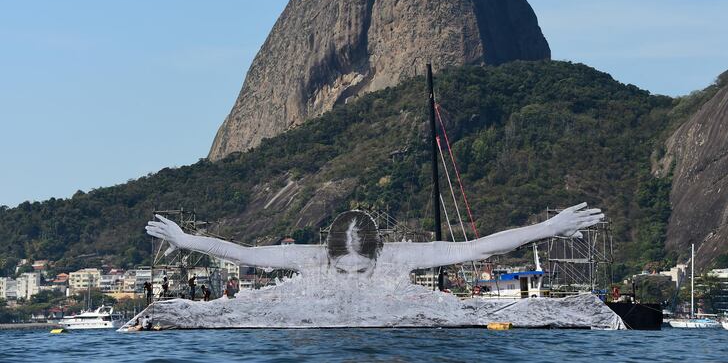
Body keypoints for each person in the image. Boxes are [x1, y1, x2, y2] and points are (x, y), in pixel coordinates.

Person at [146, 203, 603, 278]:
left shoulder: (401, 256)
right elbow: (241, 253)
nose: (352, 275)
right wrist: (185, 240)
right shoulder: (307, 259)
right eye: (346, 268)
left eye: (359, 268)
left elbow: (481, 247)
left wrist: (547, 228)